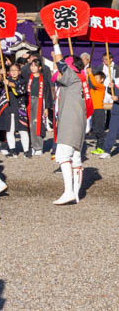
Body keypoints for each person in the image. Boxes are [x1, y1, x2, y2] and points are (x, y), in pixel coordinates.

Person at [50, 35, 92, 204]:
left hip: (70, 120)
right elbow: (58, 69)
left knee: (62, 155)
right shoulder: (78, 78)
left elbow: (60, 64)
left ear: (72, 66)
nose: (63, 67)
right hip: (79, 120)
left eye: (66, 64)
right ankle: (75, 193)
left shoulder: (73, 76)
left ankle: (68, 191)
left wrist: (55, 43)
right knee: (75, 157)